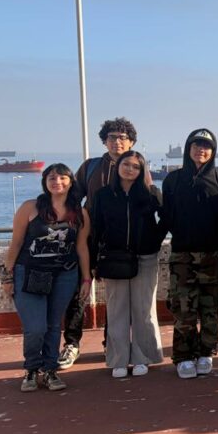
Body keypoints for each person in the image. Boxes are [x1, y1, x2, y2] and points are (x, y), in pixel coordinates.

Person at [1, 164, 92, 392]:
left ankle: (50, 369)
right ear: (45, 182)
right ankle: (32, 368)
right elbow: (16, 244)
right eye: (51, 177)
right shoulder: (30, 208)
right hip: (30, 273)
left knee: (53, 325)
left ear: (70, 182)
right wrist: (7, 276)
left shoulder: (80, 213)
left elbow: (81, 247)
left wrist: (86, 279)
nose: (57, 181)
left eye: (62, 177)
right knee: (35, 328)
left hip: (64, 274)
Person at [58, 116, 139, 370]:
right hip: (88, 238)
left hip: (121, 243)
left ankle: (111, 343)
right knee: (78, 291)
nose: (117, 142)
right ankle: (72, 343)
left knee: (118, 297)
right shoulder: (91, 167)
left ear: (131, 142)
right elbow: (72, 199)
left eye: (122, 137)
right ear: (104, 141)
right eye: (112, 137)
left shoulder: (137, 167)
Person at [160, 128, 218, 379]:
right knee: (183, 309)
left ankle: (206, 352)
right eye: (196, 145)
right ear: (188, 148)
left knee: (213, 309)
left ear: (213, 151)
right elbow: (166, 215)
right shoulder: (173, 180)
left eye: (206, 146)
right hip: (183, 255)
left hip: (215, 255)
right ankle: (183, 356)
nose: (201, 150)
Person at [90, 151, 165, 378]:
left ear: (142, 170)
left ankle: (143, 357)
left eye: (135, 166)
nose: (130, 169)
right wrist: (94, 260)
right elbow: (96, 228)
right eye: (126, 164)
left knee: (144, 310)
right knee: (116, 310)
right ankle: (118, 359)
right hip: (114, 259)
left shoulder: (151, 193)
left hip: (145, 258)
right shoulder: (103, 195)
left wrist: (154, 239)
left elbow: (168, 217)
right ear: (118, 166)